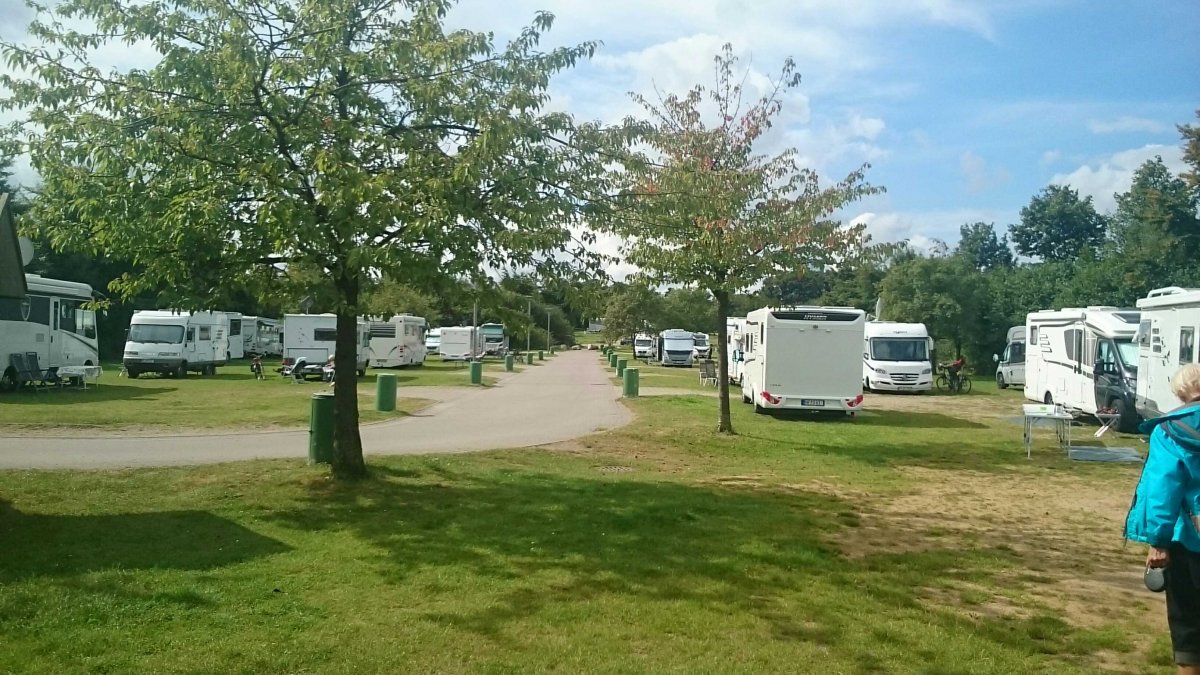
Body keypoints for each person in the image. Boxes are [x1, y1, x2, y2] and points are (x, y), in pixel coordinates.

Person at [1125, 363, 1200, 673]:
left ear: (1181, 392)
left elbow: (1163, 489)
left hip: (1189, 542)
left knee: (1189, 629)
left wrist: (1158, 541)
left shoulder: (1170, 431)